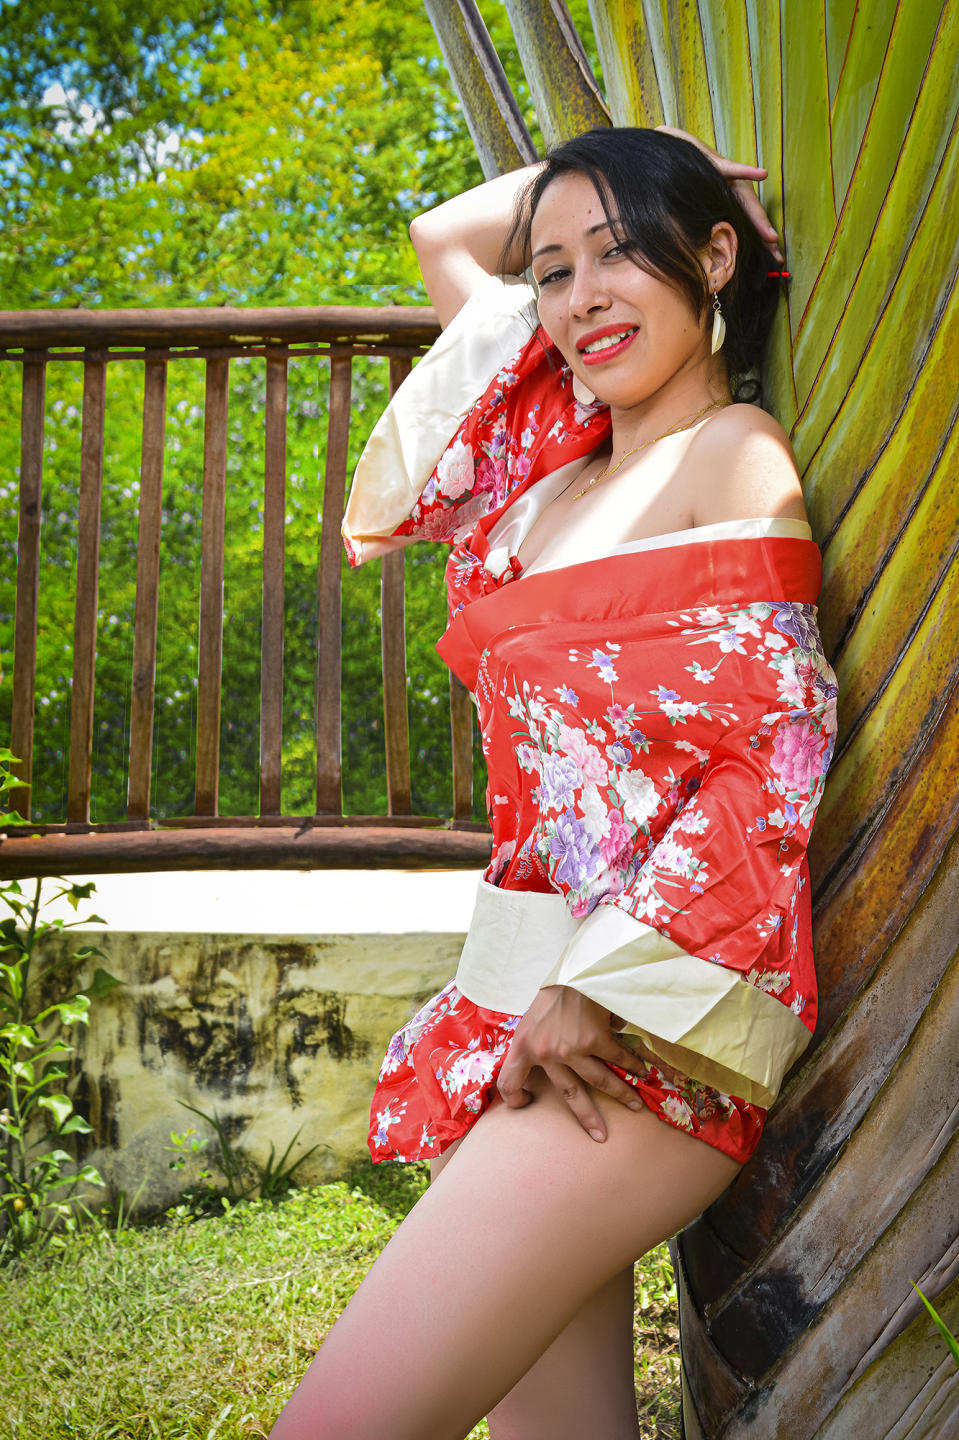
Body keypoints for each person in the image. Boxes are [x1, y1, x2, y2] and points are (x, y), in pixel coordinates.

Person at [271, 126, 837, 1440]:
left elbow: (779, 743)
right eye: (557, 270)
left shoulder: (732, 453)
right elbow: (443, 239)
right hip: (520, 1001)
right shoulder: (542, 475)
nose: (584, 296)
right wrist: (636, 164)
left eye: (623, 252)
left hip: (644, 1026)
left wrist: (598, 987)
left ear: (714, 258)